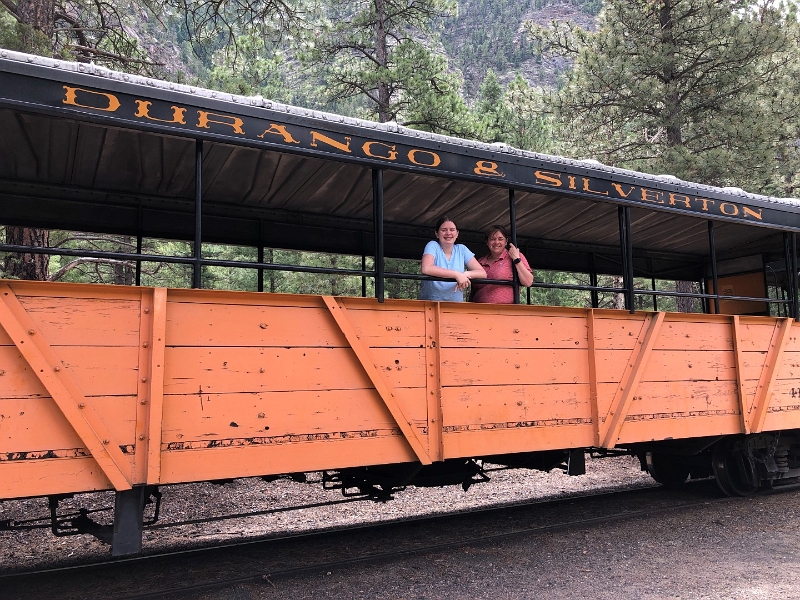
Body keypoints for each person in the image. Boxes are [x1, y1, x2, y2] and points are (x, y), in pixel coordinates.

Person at [420, 216, 486, 301]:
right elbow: (426, 268)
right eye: (444, 230)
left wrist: (465, 274)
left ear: (457, 233)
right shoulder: (432, 245)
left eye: (452, 230)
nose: (448, 233)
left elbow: (482, 273)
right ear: (437, 234)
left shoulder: (462, 249)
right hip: (431, 302)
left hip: (455, 304)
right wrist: (456, 274)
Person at [471, 224, 534, 304]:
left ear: (506, 241)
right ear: (487, 242)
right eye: (492, 239)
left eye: (500, 239)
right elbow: (473, 290)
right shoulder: (480, 261)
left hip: (505, 309)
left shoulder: (515, 256)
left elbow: (528, 282)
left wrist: (517, 260)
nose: (496, 242)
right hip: (479, 308)